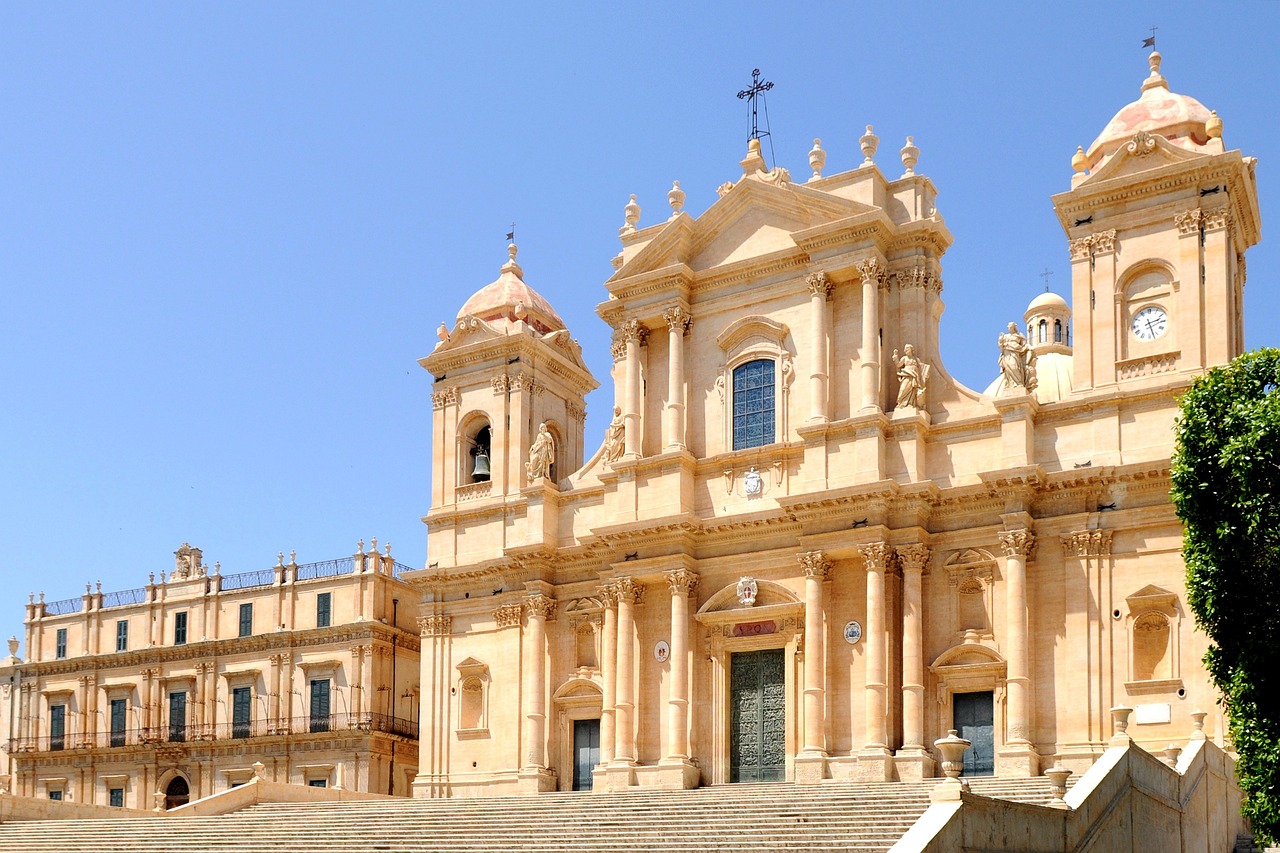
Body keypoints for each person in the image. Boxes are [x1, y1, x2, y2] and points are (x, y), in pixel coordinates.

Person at [997, 322, 1038, 393]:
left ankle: (1019, 383)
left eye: (1010, 326)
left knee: (1014, 367)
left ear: (1014, 327)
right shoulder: (1005, 336)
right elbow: (1001, 346)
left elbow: (1024, 345)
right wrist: (1000, 340)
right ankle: (1012, 384)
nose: (1009, 328)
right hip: (1007, 353)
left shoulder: (1019, 336)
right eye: (1008, 327)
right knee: (1008, 368)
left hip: (1015, 353)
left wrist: (1029, 348)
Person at [894, 344, 929, 410]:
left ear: (911, 349)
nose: (906, 349)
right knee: (903, 389)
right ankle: (901, 403)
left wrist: (926, 375)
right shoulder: (904, 358)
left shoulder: (916, 359)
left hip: (914, 376)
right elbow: (898, 365)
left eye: (907, 348)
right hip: (906, 374)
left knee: (912, 390)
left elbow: (921, 368)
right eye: (905, 348)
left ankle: (910, 403)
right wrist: (895, 356)